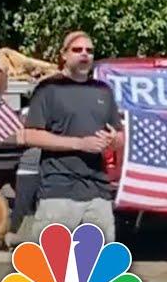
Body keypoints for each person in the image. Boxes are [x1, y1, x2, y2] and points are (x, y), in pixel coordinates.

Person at [21, 31, 123, 243]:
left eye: (89, 51)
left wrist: (114, 140)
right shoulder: (48, 89)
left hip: (98, 192)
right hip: (58, 190)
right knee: (50, 269)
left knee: (100, 269)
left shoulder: (103, 91)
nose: (84, 54)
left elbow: (120, 136)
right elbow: (30, 135)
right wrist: (80, 144)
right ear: (64, 55)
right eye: (77, 50)